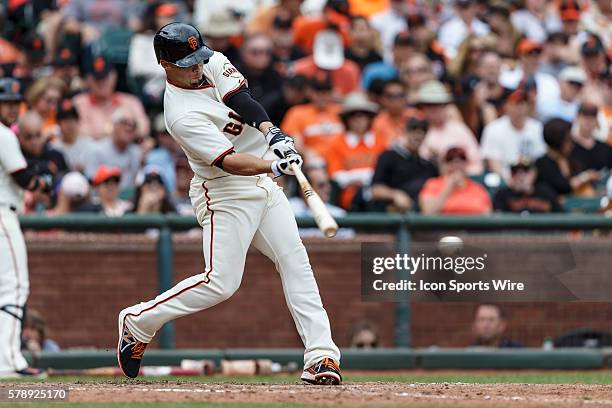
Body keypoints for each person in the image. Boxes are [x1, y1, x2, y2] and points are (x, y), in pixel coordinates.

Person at [118, 22, 342, 385]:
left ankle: (321, 356)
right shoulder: (179, 115)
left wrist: (273, 134)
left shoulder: (211, 62)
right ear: (164, 64)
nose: (196, 67)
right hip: (223, 190)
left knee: (295, 260)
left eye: (197, 58)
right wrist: (274, 164)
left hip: (262, 183)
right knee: (220, 283)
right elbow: (228, 161)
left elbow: (242, 101)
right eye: (186, 62)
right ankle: (138, 321)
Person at [0, 78, 49, 378]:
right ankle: (9, 362)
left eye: (14, 102)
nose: (11, 108)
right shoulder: (4, 134)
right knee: (15, 287)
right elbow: (22, 177)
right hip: (2, 215)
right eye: (5, 102)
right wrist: (42, 184)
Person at [326, 92, 388, 210]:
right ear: (347, 119)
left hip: (377, 197)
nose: (358, 120)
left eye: (363, 115)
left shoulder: (380, 142)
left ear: (369, 118)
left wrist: (355, 177)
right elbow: (336, 176)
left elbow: (385, 172)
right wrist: (364, 177)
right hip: (347, 200)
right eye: (353, 115)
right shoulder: (337, 143)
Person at [73, 55, 150, 140]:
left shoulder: (131, 102)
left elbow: (144, 129)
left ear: (114, 76)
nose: (102, 83)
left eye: (105, 77)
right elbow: (77, 132)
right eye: (97, 78)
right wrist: (117, 132)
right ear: (88, 79)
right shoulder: (79, 102)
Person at [371, 117, 438, 213]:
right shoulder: (389, 156)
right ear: (405, 132)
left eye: (422, 132)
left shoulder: (428, 165)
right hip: (393, 213)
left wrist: (439, 159)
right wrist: (395, 195)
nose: (418, 135)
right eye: (413, 131)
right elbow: (375, 190)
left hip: (421, 214)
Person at [417, 80, 483, 175]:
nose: (434, 109)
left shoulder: (459, 129)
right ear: (422, 108)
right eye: (429, 105)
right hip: (429, 182)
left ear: (445, 106)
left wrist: (458, 172)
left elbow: (477, 163)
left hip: (463, 181)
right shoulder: (418, 131)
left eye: (439, 105)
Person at [480, 88, 546, 181]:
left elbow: (540, 160)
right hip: (504, 181)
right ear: (506, 106)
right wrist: (511, 181)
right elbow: (494, 165)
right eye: (516, 103)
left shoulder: (537, 128)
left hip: (532, 180)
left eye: (523, 103)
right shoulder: (493, 129)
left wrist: (529, 181)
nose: (520, 107)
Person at [280, 75, 344, 162]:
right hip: (313, 159)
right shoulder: (297, 112)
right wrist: (306, 153)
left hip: (341, 157)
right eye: (318, 92)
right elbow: (295, 141)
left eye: (326, 92)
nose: (323, 96)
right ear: (310, 92)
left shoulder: (341, 111)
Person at [536, 118, 599, 197]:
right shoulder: (542, 164)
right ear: (557, 141)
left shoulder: (572, 159)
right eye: (567, 140)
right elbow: (563, 186)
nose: (571, 144)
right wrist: (585, 177)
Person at [419, 147, 492, 215]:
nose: (456, 164)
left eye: (461, 160)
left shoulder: (477, 188)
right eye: (451, 160)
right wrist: (448, 188)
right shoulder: (433, 184)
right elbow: (428, 212)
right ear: (445, 164)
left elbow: (487, 213)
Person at [86, 110, 143, 192]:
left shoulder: (136, 152)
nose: (129, 128)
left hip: (128, 199)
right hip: (102, 199)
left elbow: (136, 182)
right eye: (124, 123)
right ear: (114, 125)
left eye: (133, 125)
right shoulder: (97, 150)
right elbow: (91, 182)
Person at [493, 160, 562, 213]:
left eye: (526, 170)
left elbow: (562, 216)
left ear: (534, 173)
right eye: (515, 171)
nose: (520, 175)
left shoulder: (546, 193)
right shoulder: (502, 195)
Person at [50, 98, 96, 172]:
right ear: (59, 124)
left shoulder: (89, 144)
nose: (69, 125)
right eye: (65, 121)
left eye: (72, 120)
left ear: (78, 121)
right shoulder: (54, 147)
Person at [571, 103, 612, 173]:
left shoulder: (606, 148)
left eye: (592, 117)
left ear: (596, 120)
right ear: (577, 117)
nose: (588, 121)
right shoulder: (569, 147)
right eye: (585, 116)